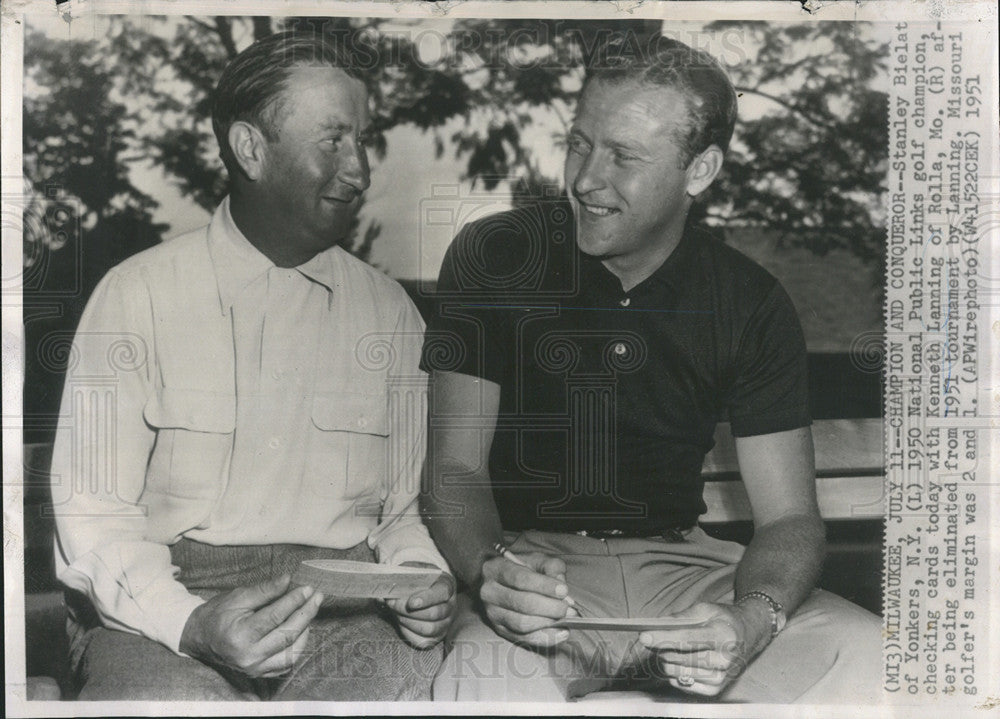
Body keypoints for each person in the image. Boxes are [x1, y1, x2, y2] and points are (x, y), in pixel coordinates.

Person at [419, 34, 881, 703]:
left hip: (686, 571)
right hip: (535, 572)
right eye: (580, 142)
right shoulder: (495, 255)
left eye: (623, 156)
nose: (584, 178)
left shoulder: (749, 299)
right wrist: (492, 570)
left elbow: (788, 520)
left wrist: (751, 618)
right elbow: (453, 469)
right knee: (484, 688)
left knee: (875, 663)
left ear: (700, 170)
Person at [50, 31, 454, 701]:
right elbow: (93, 518)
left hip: (343, 614)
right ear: (250, 148)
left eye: (362, 142)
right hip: (160, 607)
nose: (359, 171)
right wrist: (192, 622)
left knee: (395, 685)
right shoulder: (136, 296)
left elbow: (401, 517)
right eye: (333, 141)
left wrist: (420, 581)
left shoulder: (392, 315)